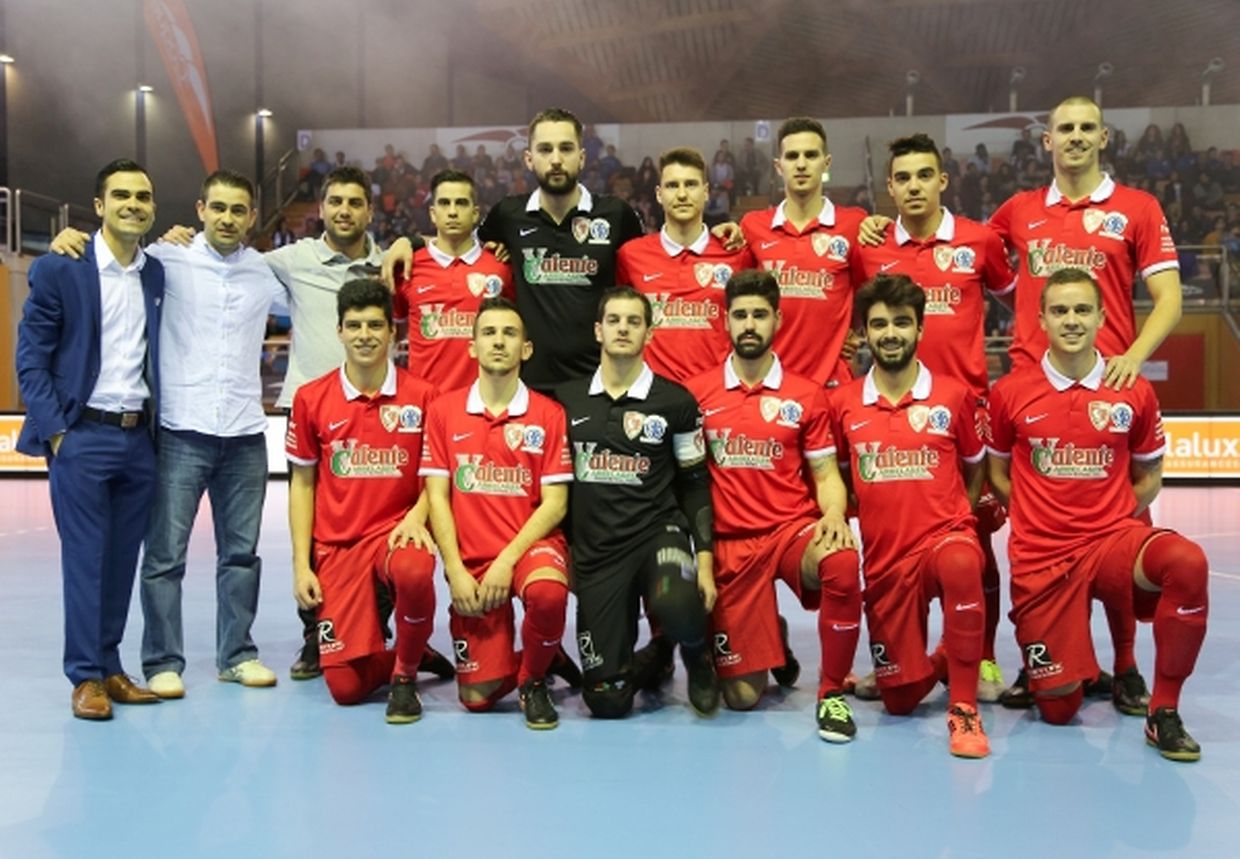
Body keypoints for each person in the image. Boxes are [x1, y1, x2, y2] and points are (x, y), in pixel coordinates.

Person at [987, 268, 1208, 762]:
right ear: (1041, 318)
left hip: (1111, 543)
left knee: (1188, 562)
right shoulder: (1009, 393)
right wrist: (1037, 515)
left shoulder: (1131, 389)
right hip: (1043, 558)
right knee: (1060, 709)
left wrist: (1112, 515)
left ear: (1102, 316)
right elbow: (998, 475)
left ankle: (1164, 712)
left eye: (1082, 310)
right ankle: (1071, 666)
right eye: (1060, 310)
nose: (1071, 321)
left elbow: (1150, 474)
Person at [854, 133, 1015, 702]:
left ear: (943, 180)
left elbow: (1021, 299)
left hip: (966, 416)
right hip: (894, 415)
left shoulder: (979, 240)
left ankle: (983, 657)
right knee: (892, 545)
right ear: (889, 186)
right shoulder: (869, 248)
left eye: (926, 175)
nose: (915, 186)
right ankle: (900, 657)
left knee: (974, 541)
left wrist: (1025, 369)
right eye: (903, 177)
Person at [686, 270, 863, 742]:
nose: (749, 324)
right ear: (725, 322)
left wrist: (832, 516)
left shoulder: (805, 395)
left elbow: (826, 475)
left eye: (759, 315)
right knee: (743, 699)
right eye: (740, 315)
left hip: (790, 532)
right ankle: (772, 637)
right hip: (729, 546)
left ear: (777, 320)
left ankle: (831, 693)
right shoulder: (696, 394)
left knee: (842, 562)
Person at [16, 159, 164, 719]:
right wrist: (58, 432)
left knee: (122, 559)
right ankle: (84, 677)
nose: (134, 204)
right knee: (85, 559)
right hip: (82, 437)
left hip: (137, 438)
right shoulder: (63, 267)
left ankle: (110, 665)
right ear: (98, 206)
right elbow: (31, 359)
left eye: (144, 197)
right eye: (121, 195)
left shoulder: (155, 272)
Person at [831, 274, 991, 757]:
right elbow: (839, 476)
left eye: (902, 322)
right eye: (879, 324)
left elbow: (975, 470)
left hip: (944, 538)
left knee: (964, 563)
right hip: (885, 563)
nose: (891, 333)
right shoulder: (842, 404)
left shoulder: (954, 396)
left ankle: (964, 709)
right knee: (899, 700)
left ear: (921, 329)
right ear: (865, 333)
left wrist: (956, 520)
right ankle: (945, 659)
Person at [386, 108, 644, 393]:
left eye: (566, 149)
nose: (556, 159)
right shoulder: (508, 215)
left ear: (582, 157)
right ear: (529, 159)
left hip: (600, 386)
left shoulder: (617, 215)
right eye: (545, 150)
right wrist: (410, 242)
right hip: (526, 385)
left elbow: (646, 270)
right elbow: (457, 242)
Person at [554, 287, 719, 718]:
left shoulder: (677, 403)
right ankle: (646, 661)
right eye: (614, 321)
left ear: (649, 331)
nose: (623, 329)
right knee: (607, 700)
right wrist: (565, 550)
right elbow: (554, 487)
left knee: (677, 603)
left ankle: (698, 655)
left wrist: (703, 560)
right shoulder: (564, 402)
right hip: (597, 554)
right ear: (598, 330)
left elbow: (696, 483)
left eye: (633, 321)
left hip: (656, 535)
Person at [286, 279, 439, 723]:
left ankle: (405, 676)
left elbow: (437, 478)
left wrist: (417, 517)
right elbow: (302, 484)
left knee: (414, 569)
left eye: (376, 324)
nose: (365, 335)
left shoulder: (424, 396)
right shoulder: (310, 398)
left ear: (393, 331)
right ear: (338, 331)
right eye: (354, 325)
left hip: (396, 535)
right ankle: (410, 652)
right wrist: (301, 564)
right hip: (339, 549)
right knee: (346, 689)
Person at [421, 297, 574, 729]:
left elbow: (556, 504)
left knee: (548, 593)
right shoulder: (443, 412)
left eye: (510, 333)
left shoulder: (549, 414)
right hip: (471, 559)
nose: (499, 342)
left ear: (526, 348)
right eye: (488, 333)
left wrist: (508, 560)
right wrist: (455, 569)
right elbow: (437, 499)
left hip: (528, 549)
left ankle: (532, 679)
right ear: (472, 347)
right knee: (476, 698)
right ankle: (545, 650)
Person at [740, 117, 868, 388]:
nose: (801, 164)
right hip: (770, 387)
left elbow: (867, 291)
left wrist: (856, 331)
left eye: (811, 155)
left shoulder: (854, 225)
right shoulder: (753, 226)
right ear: (778, 166)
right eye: (792, 156)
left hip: (832, 384)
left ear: (826, 163)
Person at [615, 147, 755, 383]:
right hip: (654, 398)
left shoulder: (735, 253)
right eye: (672, 186)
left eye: (690, 184)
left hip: (718, 397)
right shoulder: (631, 256)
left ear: (706, 192)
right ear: (659, 194)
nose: (681, 194)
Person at [392, 169, 513, 391]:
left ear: (476, 213)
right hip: (425, 408)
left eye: (461, 203)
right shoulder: (408, 267)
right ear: (432, 213)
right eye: (445, 203)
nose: (453, 212)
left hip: (484, 407)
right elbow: (396, 333)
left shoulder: (501, 267)